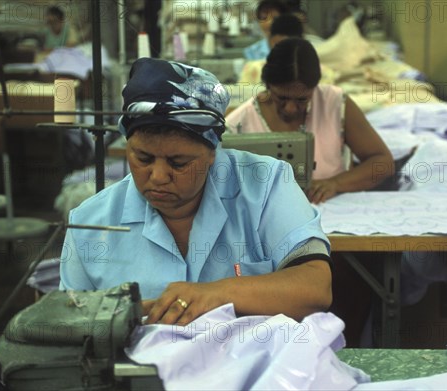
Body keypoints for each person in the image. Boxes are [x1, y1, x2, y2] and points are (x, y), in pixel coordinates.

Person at [59, 58, 332, 325]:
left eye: (178, 163)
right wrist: (119, 318)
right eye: (143, 158)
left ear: (212, 152)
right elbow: (68, 324)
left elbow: (315, 286)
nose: (158, 176)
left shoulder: (267, 185)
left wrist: (216, 294)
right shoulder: (90, 226)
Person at [227, 37, 395, 204]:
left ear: (315, 88)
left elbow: (383, 163)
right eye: (282, 98)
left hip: (333, 214)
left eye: (302, 99)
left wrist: (335, 184)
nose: (290, 108)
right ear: (268, 85)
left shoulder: (335, 104)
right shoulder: (238, 124)